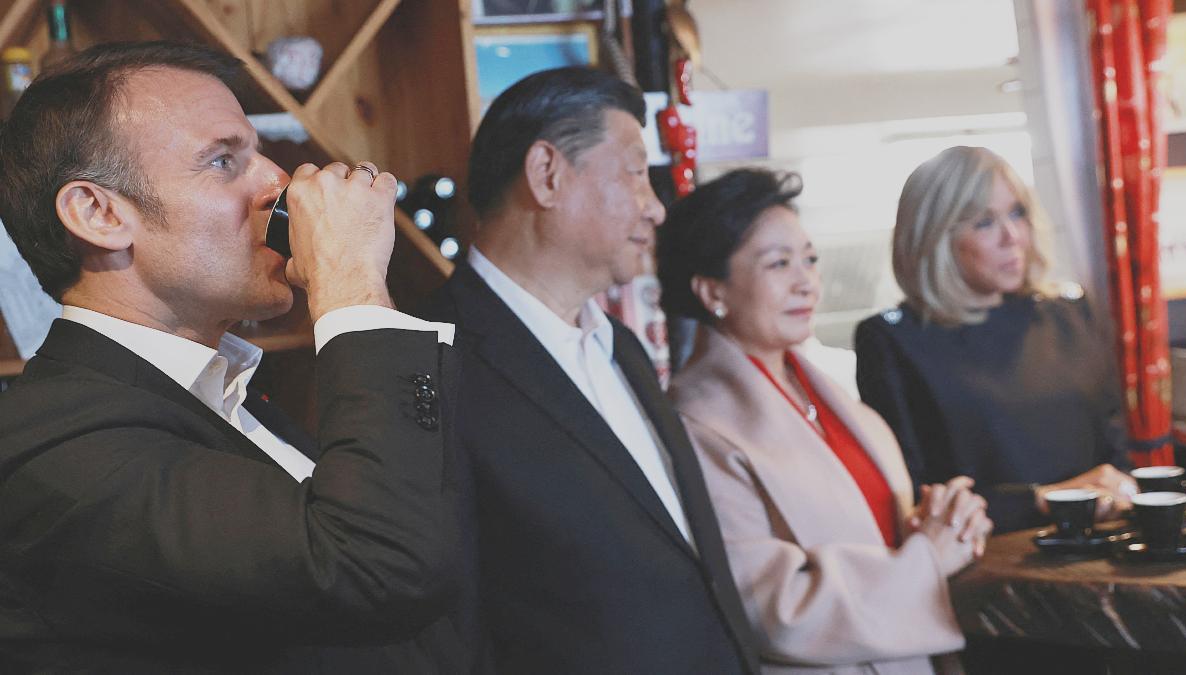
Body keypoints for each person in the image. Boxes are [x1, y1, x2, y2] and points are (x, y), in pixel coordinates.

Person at [0, 42, 460, 672]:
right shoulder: (56, 445)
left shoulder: (229, 395)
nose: (278, 182)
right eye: (222, 161)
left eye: (259, 152)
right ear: (98, 213)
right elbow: (374, 568)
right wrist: (350, 283)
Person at [419, 67, 760, 674]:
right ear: (547, 174)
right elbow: (449, 619)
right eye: (634, 172)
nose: (655, 208)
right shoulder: (432, 363)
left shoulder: (620, 345)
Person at [657, 167, 990, 675]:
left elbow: (876, 534)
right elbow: (774, 608)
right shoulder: (698, 424)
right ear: (712, 292)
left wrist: (939, 523)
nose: (806, 281)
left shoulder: (828, 394)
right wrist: (927, 558)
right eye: (779, 263)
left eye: (809, 259)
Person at [855, 146, 1133, 534]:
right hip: (990, 565)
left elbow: (1116, 449)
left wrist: (1121, 485)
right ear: (935, 237)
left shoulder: (1068, 313)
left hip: (1102, 544)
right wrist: (1043, 498)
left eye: (1017, 212)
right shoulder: (892, 340)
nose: (1013, 236)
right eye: (984, 222)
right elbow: (914, 499)